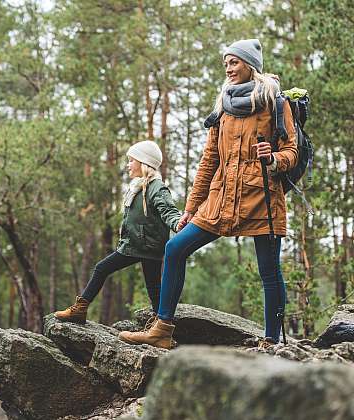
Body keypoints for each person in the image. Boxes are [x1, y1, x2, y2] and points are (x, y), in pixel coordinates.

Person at [119, 39, 298, 350]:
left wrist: (274, 158)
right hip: (220, 200)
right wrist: (190, 207)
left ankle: (271, 341)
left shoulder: (275, 103)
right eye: (226, 62)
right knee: (175, 247)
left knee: (269, 272)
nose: (228, 68)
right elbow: (209, 162)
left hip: (262, 199)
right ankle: (162, 329)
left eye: (234, 62)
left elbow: (292, 152)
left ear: (250, 65)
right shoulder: (223, 106)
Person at [54, 140, 181, 326]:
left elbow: (169, 211)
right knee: (153, 287)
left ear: (144, 162)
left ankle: (80, 310)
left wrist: (178, 223)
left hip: (143, 245)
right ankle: (160, 323)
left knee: (102, 268)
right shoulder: (138, 187)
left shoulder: (156, 188)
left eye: (131, 160)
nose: (128, 164)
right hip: (140, 245)